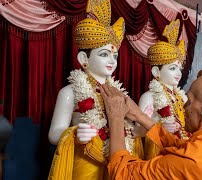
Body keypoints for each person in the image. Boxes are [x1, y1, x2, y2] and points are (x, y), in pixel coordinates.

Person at [48, 0, 142, 179]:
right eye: (104, 54)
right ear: (84, 58)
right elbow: (54, 134)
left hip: (115, 164)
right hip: (84, 164)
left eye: (114, 55)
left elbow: (128, 130)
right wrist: (75, 133)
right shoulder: (70, 92)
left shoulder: (119, 95)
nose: (112, 61)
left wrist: (140, 131)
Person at [137, 19, 189, 159]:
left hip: (181, 149)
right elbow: (137, 131)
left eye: (179, 68)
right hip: (158, 152)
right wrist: (160, 128)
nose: (178, 73)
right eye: (172, 68)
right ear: (156, 72)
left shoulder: (181, 97)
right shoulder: (149, 97)